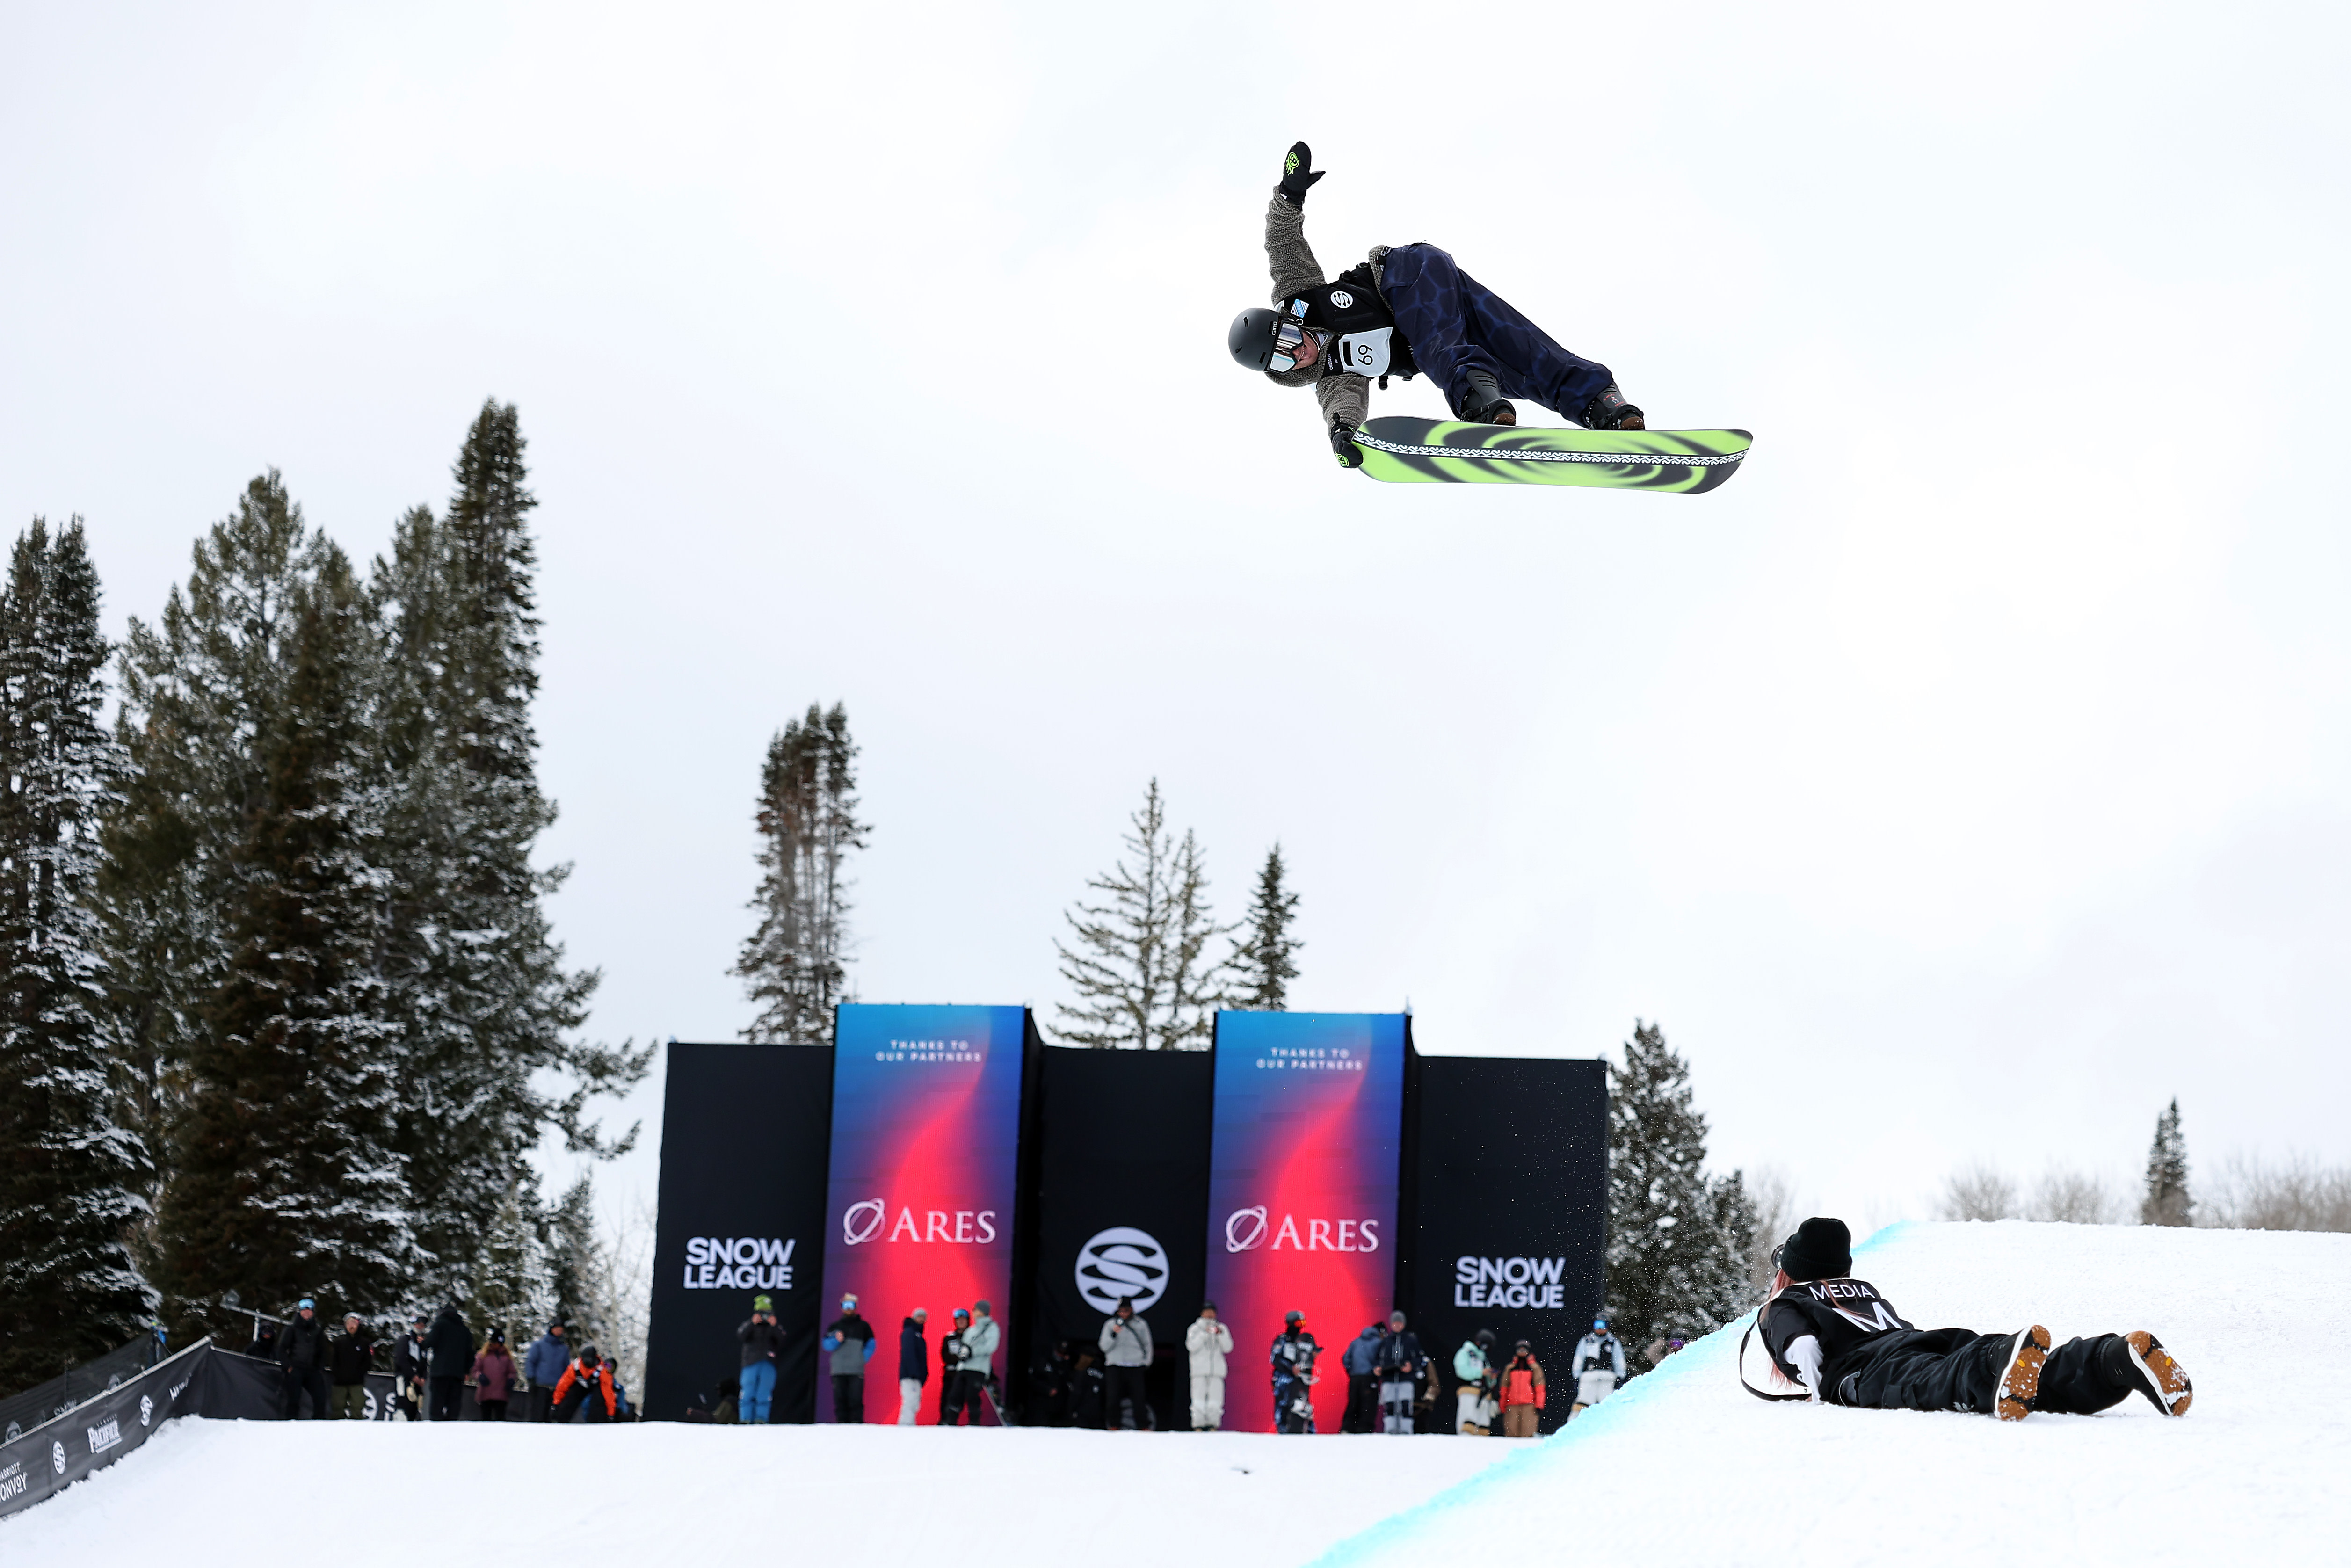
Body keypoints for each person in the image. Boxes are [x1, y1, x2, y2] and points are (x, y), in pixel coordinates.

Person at [1229, 141, 1642, 472]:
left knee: (1438, 349)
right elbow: (1341, 407)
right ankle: (1601, 402)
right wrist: (1344, 435)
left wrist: (1289, 194)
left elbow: (1281, 245)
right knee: (1522, 358)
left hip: (1407, 274)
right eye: (1285, 363)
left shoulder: (1298, 295)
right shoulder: (1336, 374)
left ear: (1286, 322)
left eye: (1287, 339)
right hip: (1447, 305)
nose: (1299, 353)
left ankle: (1475, 399)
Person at [1741, 1217, 2193, 1422]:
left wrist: (1820, 1395)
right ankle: (2109, 1359)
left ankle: (1996, 1363)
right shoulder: (1862, 1289)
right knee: (2031, 1378)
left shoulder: (1786, 1302)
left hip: (1868, 1368)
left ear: (1792, 1270)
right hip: (1925, 1338)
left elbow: (1801, 1347)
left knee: (1935, 1383)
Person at [941, 1299, 1001, 1426]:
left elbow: (991, 1346)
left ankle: (974, 1423)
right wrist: (963, 1354)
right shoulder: (971, 1330)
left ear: (982, 1311)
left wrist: (972, 1351)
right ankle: (950, 1422)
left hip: (978, 1369)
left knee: (972, 1394)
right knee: (955, 1394)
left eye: (976, 1309)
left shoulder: (991, 1328)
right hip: (963, 1368)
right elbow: (964, 1347)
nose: (973, 1312)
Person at [1098, 1296, 1154, 1431]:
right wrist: (1114, 1334)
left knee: (1139, 1398)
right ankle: (1113, 1425)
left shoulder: (1140, 1324)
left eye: (1126, 1310)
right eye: (1121, 1310)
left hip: (1135, 1365)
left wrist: (1146, 1362)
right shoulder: (1110, 1325)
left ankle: (1143, 1426)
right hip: (1115, 1365)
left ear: (1131, 1310)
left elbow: (1148, 1344)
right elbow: (1103, 1347)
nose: (1123, 1313)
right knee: (1113, 1397)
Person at [821, 1292, 876, 1423]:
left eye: (851, 1305)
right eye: (846, 1305)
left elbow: (871, 1345)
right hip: (839, 1370)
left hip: (856, 1370)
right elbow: (826, 1345)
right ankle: (842, 1426)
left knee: (856, 1400)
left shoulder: (864, 1327)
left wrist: (862, 1359)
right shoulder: (835, 1327)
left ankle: (857, 1426)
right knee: (840, 1400)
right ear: (842, 1307)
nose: (849, 1308)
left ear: (856, 1307)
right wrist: (836, 1340)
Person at [1183, 1302, 1234, 1432]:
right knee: (1198, 1399)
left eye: (1212, 1311)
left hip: (1217, 1371)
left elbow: (1228, 1348)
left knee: (1216, 1400)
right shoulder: (1194, 1329)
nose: (1210, 1314)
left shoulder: (1222, 1328)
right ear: (1202, 1313)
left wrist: (1220, 1334)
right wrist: (1205, 1334)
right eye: (1207, 1311)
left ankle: (1213, 1425)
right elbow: (1191, 1347)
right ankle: (1198, 1425)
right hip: (1199, 1371)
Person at [1371, 1310, 1424, 1434]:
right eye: (1395, 1322)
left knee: (1405, 1406)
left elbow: (1421, 1358)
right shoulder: (1385, 1342)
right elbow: (1376, 1359)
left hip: (1406, 1379)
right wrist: (1377, 1368)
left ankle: (1406, 1431)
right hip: (1389, 1379)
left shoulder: (1411, 1340)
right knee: (1389, 1406)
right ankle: (1390, 1431)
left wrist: (1411, 1365)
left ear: (1404, 1324)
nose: (1397, 1325)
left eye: (1400, 1323)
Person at [276, 1298, 329, 1419]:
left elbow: (323, 1351)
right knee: (294, 1398)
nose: (307, 1313)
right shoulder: (291, 1329)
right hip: (296, 1368)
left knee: (320, 1397)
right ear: (299, 1312)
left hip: (312, 1369)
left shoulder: (318, 1330)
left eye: (310, 1310)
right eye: (304, 1310)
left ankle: (318, 1423)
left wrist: (320, 1368)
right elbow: (282, 1349)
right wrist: (289, 1366)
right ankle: (291, 1422)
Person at [1270, 1310, 1320, 1435]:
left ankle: (1308, 1430)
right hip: (1284, 1379)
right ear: (1291, 1323)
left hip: (1301, 1380)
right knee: (1284, 1404)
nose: (1301, 1327)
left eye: (1303, 1323)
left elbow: (1307, 1356)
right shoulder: (1282, 1340)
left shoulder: (1304, 1341)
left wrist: (1313, 1355)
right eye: (1298, 1323)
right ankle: (1282, 1430)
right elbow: (1275, 1359)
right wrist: (1290, 1369)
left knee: (1303, 1404)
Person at [739, 1293, 786, 1425]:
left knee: (764, 1392)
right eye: (762, 1313)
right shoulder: (750, 1324)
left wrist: (774, 1326)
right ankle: (745, 1419)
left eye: (767, 1313)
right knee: (748, 1391)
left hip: (768, 1362)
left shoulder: (774, 1326)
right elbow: (741, 1335)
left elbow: (782, 1340)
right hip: (750, 1363)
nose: (764, 1316)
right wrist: (752, 1324)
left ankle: (761, 1419)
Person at [1571, 1317, 1628, 1418]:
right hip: (1589, 1378)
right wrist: (1577, 1376)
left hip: (1607, 1379)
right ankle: (1574, 1429)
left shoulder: (1613, 1342)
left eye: (1603, 1325)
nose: (1600, 1328)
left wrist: (1620, 1376)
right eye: (1597, 1325)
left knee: (1608, 1405)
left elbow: (1619, 1360)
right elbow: (1579, 1359)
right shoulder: (1587, 1341)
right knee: (1582, 1405)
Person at [426, 1300, 473, 1421]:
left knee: (437, 1403)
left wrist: (422, 1341)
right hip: (457, 1374)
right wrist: (466, 1371)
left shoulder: (439, 1325)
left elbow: (429, 1343)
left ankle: (436, 1426)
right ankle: (451, 1427)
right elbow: (470, 1353)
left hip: (440, 1372)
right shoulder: (465, 1330)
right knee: (454, 1404)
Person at [552, 1345, 619, 1423]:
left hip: (595, 1389)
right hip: (580, 1387)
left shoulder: (602, 1370)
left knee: (599, 1397)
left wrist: (611, 1413)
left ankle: (597, 1422)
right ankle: (561, 1420)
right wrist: (556, 1403)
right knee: (571, 1395)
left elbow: (608, 1393)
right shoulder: (575, 1368)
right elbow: (562, 1386)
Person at [327, 1314, 374, 1419]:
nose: (351, 1326)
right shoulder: (339, 1342)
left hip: (357, 1381)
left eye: (353, 1323)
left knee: (357, 1407)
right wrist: (337, 1374)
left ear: (358, 1325)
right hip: (340, 1381)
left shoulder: (364, 1343)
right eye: (348, 1324)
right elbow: (333, 1361)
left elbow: (368, 1362)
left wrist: (360, 1373)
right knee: (337, 1407)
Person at [1341, 1320, 1384, 1434]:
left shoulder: (1356, 1342)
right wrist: (1375, 1369)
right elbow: (1382, 1360)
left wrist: (1352, 1372)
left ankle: (1347, 1428)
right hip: (1369, 1378)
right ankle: (1364, 1430)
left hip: (1355, 1379)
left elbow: (1346, 1359)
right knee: (1368, 1405)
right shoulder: (1379, 1342)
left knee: (1353, 1403)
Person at [1454, 1329, 1498, 1436]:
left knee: (1483, 1423)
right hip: (1469, 1391)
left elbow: (1489, 1381)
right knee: (1468, 1419)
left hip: (1483, 1395)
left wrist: (1491, 1377)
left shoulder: (1483, 1358)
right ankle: (1464, 1442)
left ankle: (1481, 1445)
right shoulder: (1465, 1353)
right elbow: (1462, 1371)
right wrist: (1481, 1372)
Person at [522, 1320, 568, 1422]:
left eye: (561, 1330)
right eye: (557, 1329)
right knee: (537, 1414)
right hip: (540, 1386)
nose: (559, 1332)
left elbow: (566, 1368)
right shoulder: (539, 1345)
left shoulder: (564, 1349)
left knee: (550, 1416)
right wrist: (531, 1378)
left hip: (556, 1388)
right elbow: (531, 1362)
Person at [1498, 1340, 1546, 1437]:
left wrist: (1539, 1405)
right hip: (1512, 1405)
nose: (1522, 1352)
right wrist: (1502, 1405)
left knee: (1528, 1433)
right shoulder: (1510, 1368)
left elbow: (1540, 1388)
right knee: (1511, 1432)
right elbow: (1504, 1388)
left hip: (1529, 1405)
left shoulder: (1534, 1368)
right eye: (1519, 1350)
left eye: (1524, 1350)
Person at [472, 1328, 517, 1420]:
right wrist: (480, 1376)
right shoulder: (482, 1356)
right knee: (486, 1418)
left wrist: (511, 1380)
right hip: (486, 1393)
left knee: (500, 1418)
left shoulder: (507, 1357)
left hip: (502, 1394)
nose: (497, 1346)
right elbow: (475, 1370)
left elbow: (512, 1372)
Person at [392, 1315, 428, 1421]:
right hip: (404, 1379)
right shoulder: (405, 1340)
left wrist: (423, 1378)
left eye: (423, 1325)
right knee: (403, 1405)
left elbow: (424, 1363)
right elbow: (401, 1360)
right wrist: (413, 1376)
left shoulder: (422, 1345)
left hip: (417, 1383)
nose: (421, 1327)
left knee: (415, 1407)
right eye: (418, 1324)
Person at [896, 1307, 929, 1426]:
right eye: (919, 1316)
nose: (921, 1319)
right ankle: (905, 1426)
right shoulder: (909, 1332)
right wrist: (913, 1371)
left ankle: (909, 1425)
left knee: (914, 1403)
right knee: (910, 1401)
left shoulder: (919, 1336)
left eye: (923, 1317)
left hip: (916, 1376)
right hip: (910, 1375)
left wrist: (923, 1375)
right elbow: (908, 1353)